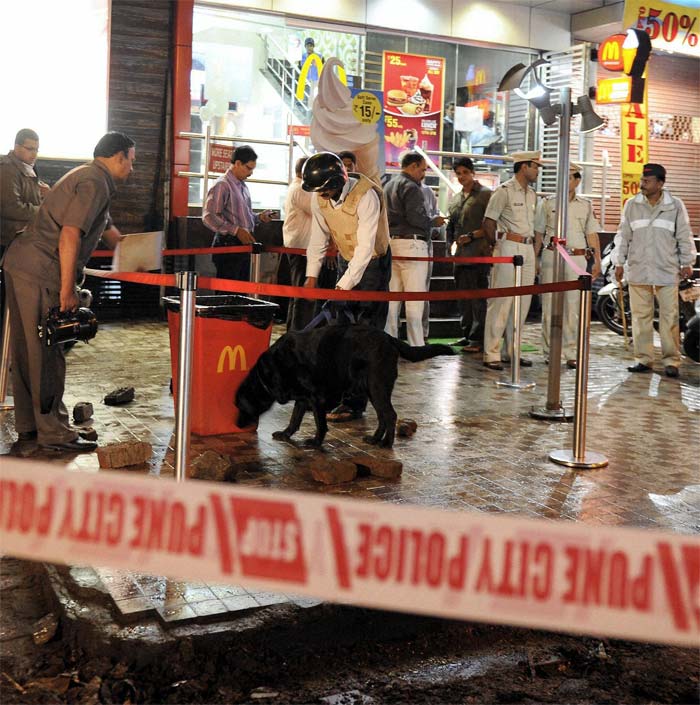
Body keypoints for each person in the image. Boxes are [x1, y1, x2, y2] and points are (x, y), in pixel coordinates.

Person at [3, 132, 135, 453]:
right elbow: (70, 234)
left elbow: (104, 226)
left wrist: (132, 250)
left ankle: (29, 427)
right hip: (42, 270)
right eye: (131, 160)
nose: (132, 168)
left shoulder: (86, 175)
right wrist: (67, 289)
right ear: (117, 157)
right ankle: (54, 432)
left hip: (20, 264)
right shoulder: (95, 182)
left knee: (26, 352)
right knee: (48, 351)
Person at [303, 151, 392, 420]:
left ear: (336, 183)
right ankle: (334, 396)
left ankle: (355, 403)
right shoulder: (319, 196)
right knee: (338, 334)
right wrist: (311, 276)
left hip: (373, 265)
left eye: (323, 190)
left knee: (365, 336)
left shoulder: (366, 196)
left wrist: (343, 288)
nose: (320, 195)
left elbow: (365, 248)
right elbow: (318, 237)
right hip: (345, 260)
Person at [612, 163, 695, 378]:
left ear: (660, 183)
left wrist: (687, 262)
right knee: (640, 317)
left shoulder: (675, 206)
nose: (642, 185)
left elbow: (684, 236)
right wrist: (618, 262)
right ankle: (643, 359)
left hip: (667, 270)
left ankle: (671, 361)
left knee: (670, 317)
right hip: (638, 270)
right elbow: (623, 236)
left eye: (647, 181)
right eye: (642, 180)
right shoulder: (632, 205)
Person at [535, 163, 602, 369]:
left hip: (577, 259)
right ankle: (549, 351)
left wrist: (597, 260)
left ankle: (571, 352)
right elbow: (538, 233)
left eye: (570, 177)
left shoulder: (586, 205)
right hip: (551, 257)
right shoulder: (546, 203)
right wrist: (534, 258)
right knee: (549, 305)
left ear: (577, 180)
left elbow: (591, 234)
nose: (565, 181)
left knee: (573, 308)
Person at [481, 150, 542, 371]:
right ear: (523, 166)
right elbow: (488, 222)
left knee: (522, 303)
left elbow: (535, 228)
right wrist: (494, 246)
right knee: (501, 301)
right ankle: (492, 353)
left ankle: (512, 351)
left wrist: (534, 255)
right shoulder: (503, 191)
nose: (537, 171)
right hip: (508, 245)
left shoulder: (532, 195)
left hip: (527, 248)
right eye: (534, 166)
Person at [383, 152, 444, 347]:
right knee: (414, 300)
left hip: (392, 244)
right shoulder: (412, 187)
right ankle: (416, 345)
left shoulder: (389, 185)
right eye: (423, 169)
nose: (423, 174)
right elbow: (416, 219)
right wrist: (433, 222)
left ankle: (390, 343)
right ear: (413, 166)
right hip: (412, 245)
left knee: (392, 301)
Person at [202, 145, 272, 282]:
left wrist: (259, 217)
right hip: (228, 245)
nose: (251, 173)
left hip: (241, 245)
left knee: (240, 293)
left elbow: (243, 216)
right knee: (227, 294)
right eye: (248, 168)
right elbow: (209, 216)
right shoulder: (222, 185)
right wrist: (236, 231)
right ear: (238, 163)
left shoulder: (242, 186)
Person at [283, 157, 336, 330]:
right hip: (301, 248)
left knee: (300, 294)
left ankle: (296, 331)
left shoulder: (297, 188)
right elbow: (321, 210)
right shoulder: (300, 189)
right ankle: (298, 332)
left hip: (303, 247)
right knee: (302, 295)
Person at [446, 157, 493, 353]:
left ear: (473, 172)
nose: (461, 176)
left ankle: (478, 339)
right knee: (463, 297)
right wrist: (450, 245)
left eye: (465, 172)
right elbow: (451, 226)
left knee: (477, 298)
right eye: (458, 173)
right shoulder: (456, 198)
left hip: (478, 253)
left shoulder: (485, 195)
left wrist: (473, 236)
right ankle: (467, 335)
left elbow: (491, 224)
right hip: (461, 256)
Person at [0, 128, 50, 256]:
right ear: (17, 147)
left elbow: (28, 198)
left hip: (23, 240)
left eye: (36, 150)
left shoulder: (28, 167)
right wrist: (43, 210)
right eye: (30, 149)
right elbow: (10, 208)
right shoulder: (7, 169)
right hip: (10, 242)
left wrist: (44, 196)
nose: (34, 154)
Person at [420, 176, 444, 340]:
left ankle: (423, 333)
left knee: (423, 290)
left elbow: (435, 214)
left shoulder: (428, 191)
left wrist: (435, 226)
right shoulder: (395, 187)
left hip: (425, 243)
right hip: (406, 244)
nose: (423, 173)